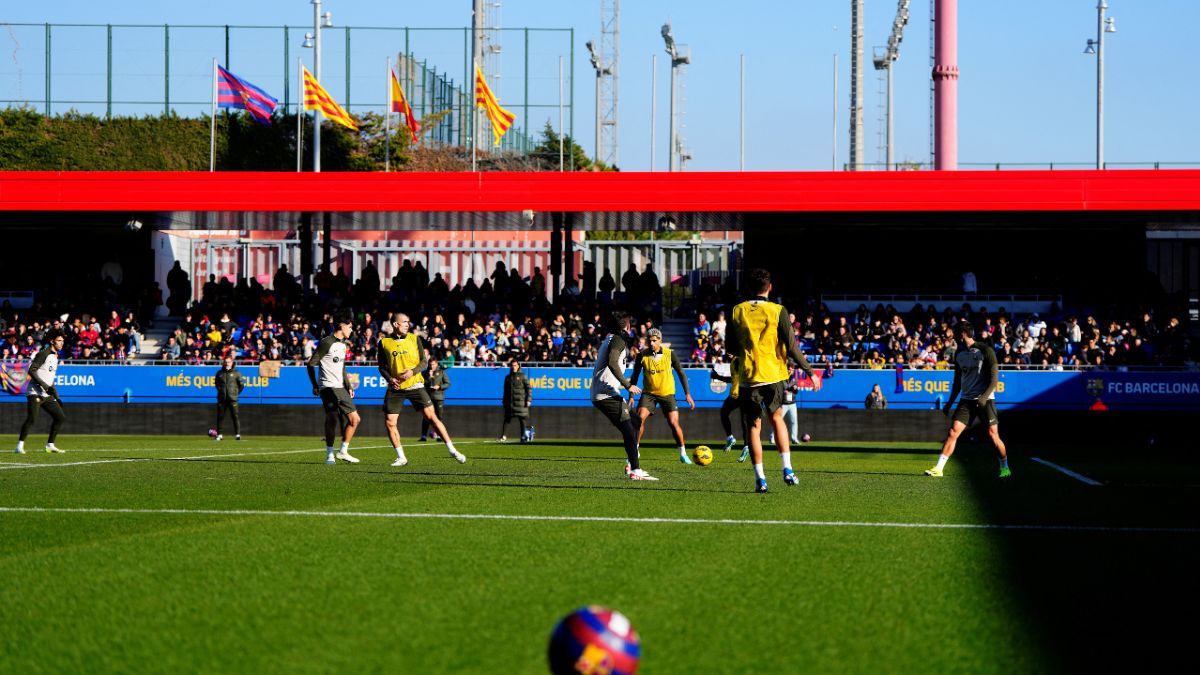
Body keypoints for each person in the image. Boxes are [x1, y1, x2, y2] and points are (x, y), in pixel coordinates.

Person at [726, 268, 816, 493]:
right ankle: (787, 469)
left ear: (749, 288)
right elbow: (792, 346)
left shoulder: (738, 310)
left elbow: (730, 347)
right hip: (774, 375)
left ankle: (761, 480)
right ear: (770, 287)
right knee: (777, 418)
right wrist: (810, 372)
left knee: (753, 428)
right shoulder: (778, 311)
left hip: (749, 377)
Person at [378, 313, 465, 467]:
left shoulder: (414, 338)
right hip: (395, 387)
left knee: (432, 418)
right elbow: (382, 367)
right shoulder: (384, 342)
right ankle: (401, 457)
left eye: (408, 322)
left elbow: (424, 362)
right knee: (390, 422)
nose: (407, 324)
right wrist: (390, 378)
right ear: (396, 324)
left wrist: (412, 372)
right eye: (404, 322)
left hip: (415, 384)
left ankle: (452, 450)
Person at [926, 321, 1011, 478]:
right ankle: (939, 468)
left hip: (986, 401)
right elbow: (957, 382)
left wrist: (983, 398)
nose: (952, 336)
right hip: (966, 400)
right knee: (953, 432)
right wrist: (950, 403)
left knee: (993, 435)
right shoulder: (959, 354)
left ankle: (1004, 466)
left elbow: (994, 380)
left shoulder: (986, 350)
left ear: (963, 334)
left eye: (956, 332)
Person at [590, 311, 656, 481]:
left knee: (635, 421)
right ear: (627, 326)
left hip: (608, 392)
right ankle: (635, 469)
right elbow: (612, 362)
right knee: (628, 428)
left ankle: (631, 464)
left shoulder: (612, 338)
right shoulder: (617, 340)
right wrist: (628, 385)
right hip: (605, 394)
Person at [629, 328, 695, 464]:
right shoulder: (642, 355)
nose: (652, 343)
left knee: (673, 422)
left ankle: (683, 453)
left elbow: (681, 373)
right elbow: (634, 377)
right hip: (649, 394)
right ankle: (635, 451)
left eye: (654, 340)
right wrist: (631, 395)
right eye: (649, 341)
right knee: (638, 420)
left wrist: (687, 394)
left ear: (660, 340)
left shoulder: (670, 354)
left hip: (667, 394)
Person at [307, 314, 361, 465]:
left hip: (340, 387)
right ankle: (329, 454)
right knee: (332, 418)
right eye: (349, 327)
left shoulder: (343, 344)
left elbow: (342, 367)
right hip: (327, 387)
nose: (351, 330)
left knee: (355, 419)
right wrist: (315, 385)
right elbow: (311, 364)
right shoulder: (326, 342)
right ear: (341, 326)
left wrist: (348, 385)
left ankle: (343, 451)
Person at [15, 331, 66, 454]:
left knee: (60, 417)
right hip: (35, 392)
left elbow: (50, 380)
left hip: (46, 395)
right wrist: (43, 385)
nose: (61, 343)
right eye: (59, 340)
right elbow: (31, 370)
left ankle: (50, 445)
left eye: (63, 341)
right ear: (52, 341)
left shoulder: (55, 357)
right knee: (32, 418)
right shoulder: (44, 353)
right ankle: (19, 446)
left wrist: (57, 397)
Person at [499, 359, 532, 442]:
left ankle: (523, 437)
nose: (513, 367)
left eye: (515, 365)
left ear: (518, 366)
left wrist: (528, 400)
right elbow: (505, 391)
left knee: (522, 419)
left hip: (521, 402)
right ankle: (503, 436)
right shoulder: (508, 377)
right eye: (512, 365)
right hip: (510, 402)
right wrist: (504, 400)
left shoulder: (523, 376)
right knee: (507, 419)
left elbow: (528, 388)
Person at [213, 356, 245, 441]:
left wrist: (235, 393)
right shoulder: (219, 373)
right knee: (220, 417)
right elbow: (216, 384)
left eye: (229, 362)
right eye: (226, 362)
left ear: (232, 362)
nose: (227, 363)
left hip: (232, 399)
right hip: (222, 399)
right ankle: (220, 435)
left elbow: (241, 385)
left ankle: (237, 435)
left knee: (235, 416)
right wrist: (220, 392)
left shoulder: (236, 373)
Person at [419, 358, 450, 442]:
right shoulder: (424, 373)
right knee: (426, 417)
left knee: (439, 416)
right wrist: (428, 379)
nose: (431, 366)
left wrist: (439, 387)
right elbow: (420, 383)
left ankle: (439, 435)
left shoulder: (441, 372)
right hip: (427, 397)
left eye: (433, 364)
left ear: (436, 364)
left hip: (438, 397)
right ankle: (423, 436)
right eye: (430, 364)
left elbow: (448, 383)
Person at [771, 368, 801, 446]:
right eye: (789, 369)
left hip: (792, 403)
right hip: (783, 404)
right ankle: (772, 438)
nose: (790, 371)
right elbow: (779, 389)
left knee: (794, 422)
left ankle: (794, 438)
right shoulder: (782, 378)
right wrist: (785, 390)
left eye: (792, 370)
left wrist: (795, 389)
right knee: (777, 421)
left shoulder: (794, 379)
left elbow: (796, 391)